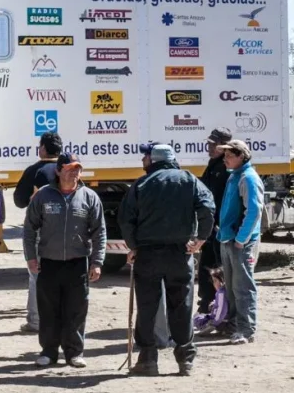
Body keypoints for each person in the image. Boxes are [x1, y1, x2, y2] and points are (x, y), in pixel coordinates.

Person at [119, 143, 215, 377]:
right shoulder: (189, 180)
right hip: (179, 254)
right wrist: (201, 238)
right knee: (181, 304)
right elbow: (207, 208)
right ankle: (186, 358)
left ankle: (148, 359)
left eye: (145, 156)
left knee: (147, 306)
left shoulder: (141, 184)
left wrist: (133, 246)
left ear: (153, 160)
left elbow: (126, 218)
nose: (143, 160)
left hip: (148, 255)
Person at [23, 153, 106, 368]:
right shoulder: (43, 196)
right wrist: (31, 257)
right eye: (70, 169)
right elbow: (29, 229)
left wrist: (97, 262)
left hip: (78, 263)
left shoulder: (89, 197)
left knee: (76, 310)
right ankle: (48, 352)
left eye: (78, 169)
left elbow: (99, 232)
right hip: (49, 263)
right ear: (58, 171)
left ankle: (74, 353)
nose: (75, 173)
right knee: (49, 310)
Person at [13, 131, 63, 334]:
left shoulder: (34, 171)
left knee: (36, 274)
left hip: (40, 228)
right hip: (66, 229)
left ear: (42, 148)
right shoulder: (67, 169)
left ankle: (35, 320)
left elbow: (18, 201)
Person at [216, 139, 264, 345]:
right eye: (224, 155)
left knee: (243, 287)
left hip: (239, 243)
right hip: (228, 239)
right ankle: (235, 325)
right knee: (233, 287)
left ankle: (246, 329)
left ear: (241, 156)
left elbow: (254, 210)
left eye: (229, 155)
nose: (225, 159)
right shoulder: (235, 176)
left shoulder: (248, 178)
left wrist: (241, 239)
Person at [198, 128, 233, 315]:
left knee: (220, 271)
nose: (209, 147)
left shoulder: (228, 170)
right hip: (211, 227)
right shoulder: (213, 165)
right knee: (207, 269)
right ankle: (206, 305)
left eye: (213, 144)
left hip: (222, 228)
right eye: (209, 143)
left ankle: (222, 311)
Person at [194, 267, 229, 336]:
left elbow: (221, 310)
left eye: (215, 281)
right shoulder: (227, 291)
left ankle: (217, 328)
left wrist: (213, 323)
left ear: (223, 280)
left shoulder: (221, 293)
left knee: (197, 319)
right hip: (224, 319)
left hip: (221, 321)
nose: (214, 283)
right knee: (199, 317)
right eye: (213, 281)